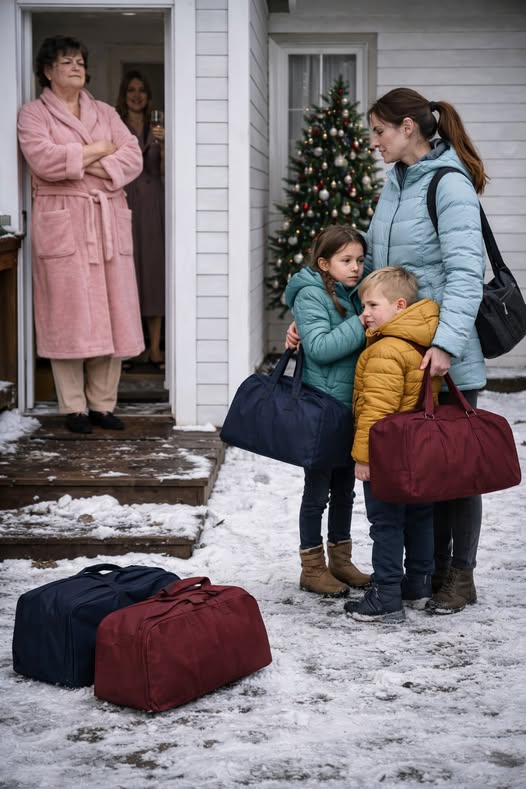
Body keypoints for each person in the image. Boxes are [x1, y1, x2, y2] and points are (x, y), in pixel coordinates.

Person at [287, 88, 487, 615]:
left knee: (454, 470)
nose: (371, 142)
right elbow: (370, 273)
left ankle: (458, 576)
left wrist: (446, 345)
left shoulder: (450, 186)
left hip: (443, 354)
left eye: (377, 131)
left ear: (407, 128)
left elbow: (467, 274)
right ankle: (426, 574)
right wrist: (312, 321)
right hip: (402, 355)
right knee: (421, 468)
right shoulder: (395, 185)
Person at [17, 35, 145, 434]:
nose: (76, 67)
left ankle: (102, 405)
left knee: (112, 313)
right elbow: (42, 159)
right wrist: (97, 151)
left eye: (80, 61)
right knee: (69, 314)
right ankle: (73, 407)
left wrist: (77, 158)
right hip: (64, 221)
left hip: (106, 220)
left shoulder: (105, 111)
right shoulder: (33, 115)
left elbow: (133, 156)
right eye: (66, 61)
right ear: (48, 70)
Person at [344, 267, 442, 623]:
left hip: (388, 454)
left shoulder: (386, 349)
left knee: (385, 523)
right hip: (418, 450)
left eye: (372, 305)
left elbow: (375, 411)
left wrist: (364, 458)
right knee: (419, 516)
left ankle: (386, 594)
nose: (365, 313)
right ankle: (417, 584)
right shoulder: (422, 341)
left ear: (400, 305)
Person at [284, 225, 370, 597]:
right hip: (322, 409)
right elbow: (319, 347)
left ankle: (341, 558)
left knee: (345, 490)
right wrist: (360, 322)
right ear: (324, 263)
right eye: (346, 260)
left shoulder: (354, 293)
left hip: (348, 409)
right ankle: (312, 566)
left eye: (360, 260)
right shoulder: (310, 294)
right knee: (316, 492)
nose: (355, 268)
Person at [116, 70, 165, 370]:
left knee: (153, 272)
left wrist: (166, 143)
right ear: (124, 95)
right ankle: (130, 347)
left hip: (152, 205)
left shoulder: (156, 127)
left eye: (142, 90)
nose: (137, 95)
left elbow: (166, 171)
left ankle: (156, 348)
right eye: (131, 89)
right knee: (126, 273)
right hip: (123, 202)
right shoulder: (116, 127)